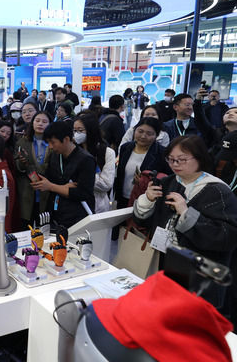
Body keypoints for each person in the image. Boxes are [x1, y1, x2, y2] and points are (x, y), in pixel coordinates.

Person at [134, 136, 237, 310]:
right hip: (165, 263)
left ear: (200, 158)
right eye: (171, 159)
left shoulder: (218, 191)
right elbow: (143, 222)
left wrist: (186, 213)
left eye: (181, 159)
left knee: (192, 315)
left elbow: (227, 237)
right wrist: (147, 200)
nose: (175, 164)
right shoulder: (166, 183)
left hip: (201, 274)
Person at [31, 121, 95, 228]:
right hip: (56, 214)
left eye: (53, 142)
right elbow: (49, 179)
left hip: (77, 217)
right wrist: (62, 187)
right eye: (48, 142)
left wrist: (52, 187)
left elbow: (83, 193)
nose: (50, 147)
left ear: (66, 139)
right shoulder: (55, 156)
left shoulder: (86, 160)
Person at [115, 117, 168, 208]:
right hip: (123, 197)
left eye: (149, 134)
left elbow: (166, 179)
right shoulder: (125, 148)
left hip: (147, 200)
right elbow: (120, 174)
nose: (143, 136)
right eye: (140, 131)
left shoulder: (162, 153)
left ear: (156, 135)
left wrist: (144, 182)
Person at [15, 111, 52, 225]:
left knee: (44, 225)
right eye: (37, 121)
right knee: (26, 225)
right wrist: (21, 163)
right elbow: (17, 165)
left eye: (44, 122)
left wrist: (38, 168)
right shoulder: (23, 142)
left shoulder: (53, 142)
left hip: (47, 189)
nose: (40, 124)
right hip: (27, 190)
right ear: (32, 123)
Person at [73, 113, 115, 214]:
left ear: (91, 130)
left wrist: (83, 176)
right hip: (75, 203)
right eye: (74, 130)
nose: (76, 134)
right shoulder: (72, 150)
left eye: (80, 130)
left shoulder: (107, 152)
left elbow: (106, 184)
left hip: (98, 206)